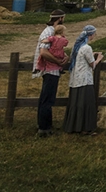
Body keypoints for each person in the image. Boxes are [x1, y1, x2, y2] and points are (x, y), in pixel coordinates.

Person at [63, 25, 103, 135]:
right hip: (85, 79)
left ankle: (74, 125)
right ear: (91, 35)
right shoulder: (87, 48)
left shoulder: (77, 47)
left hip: (75, 79)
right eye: (94, 34)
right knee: (86, 103)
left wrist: (92, 55)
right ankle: (85, 127)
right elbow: (92, 64)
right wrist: (98, 59)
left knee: (76, 103)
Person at [35, 9, 69, 137]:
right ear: (60, 18)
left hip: (52, 69)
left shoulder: (52, 32)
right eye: (63, 18)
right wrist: (58, 61)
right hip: (50, 70)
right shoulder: (49, 32)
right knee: (47, 100)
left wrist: (65, 56)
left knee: (46, 98)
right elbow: (44, 52)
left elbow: (55, 48)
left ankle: (44, 125)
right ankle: (44, 128)